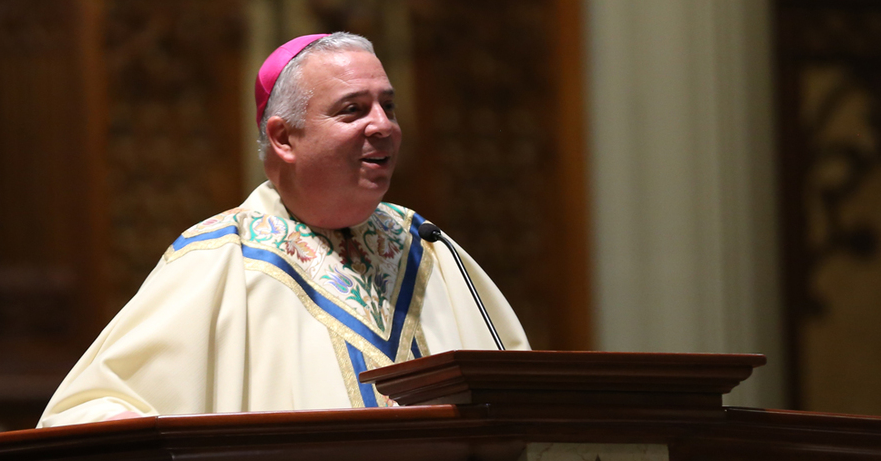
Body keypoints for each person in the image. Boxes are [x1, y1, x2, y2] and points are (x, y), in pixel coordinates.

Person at [37, 32, 530, 427]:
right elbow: (83, 415)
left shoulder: (429, 248)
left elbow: (525, 402)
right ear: (283, 137)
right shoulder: (219, 261)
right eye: (353, 109)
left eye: (389, 106)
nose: (383, 126)